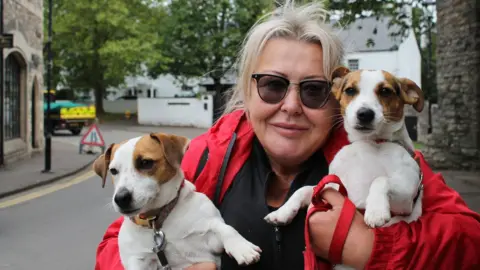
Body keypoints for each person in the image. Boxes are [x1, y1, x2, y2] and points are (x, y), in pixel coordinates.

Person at [95, 1, 480, 270]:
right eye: (273, 86)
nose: (292, 105)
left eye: (312, 89)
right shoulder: (203, 156)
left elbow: (469, 243)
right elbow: (117, 244)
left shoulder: (381, 151)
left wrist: (370, 248)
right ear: (248, 91)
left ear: (336, 97)